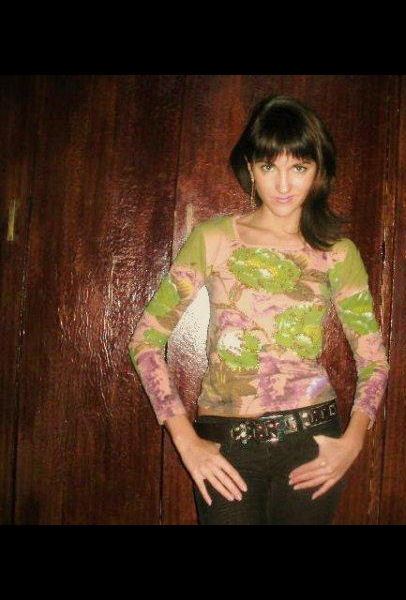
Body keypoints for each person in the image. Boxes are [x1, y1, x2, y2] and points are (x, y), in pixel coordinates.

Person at [128, 94, 390, 525]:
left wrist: (353, 440)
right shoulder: (212, 238)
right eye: (270, 166)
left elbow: (374, 360)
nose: (283, 184)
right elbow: (146, 342)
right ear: (250, 168)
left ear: (318, 172)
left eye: (298, 167)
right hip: (226, 448)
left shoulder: (338, 253)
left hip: (312, 446)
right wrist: (185, 440)